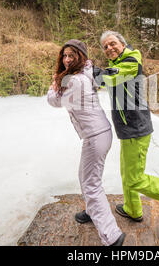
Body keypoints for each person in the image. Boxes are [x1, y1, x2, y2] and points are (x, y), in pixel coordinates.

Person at [94, 31, 159, 223]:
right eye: (105, 47)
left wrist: (90, 71)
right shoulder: (118, 63)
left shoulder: (130, 61)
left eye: (112, 43)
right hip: (127, 129)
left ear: (122, 44)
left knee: (135, 178)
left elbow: (109, 78)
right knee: (127, 173)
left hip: (136, 128)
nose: (109, 48)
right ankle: (133, 209)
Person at [47, 39, 125, 246]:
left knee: (91, 184)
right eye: (64, 55)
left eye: (72, 55)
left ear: (80, 56)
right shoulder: (85, 72)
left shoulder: (75, 81)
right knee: (87, 176)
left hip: (95, 136)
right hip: (100, 133)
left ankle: (112, 235)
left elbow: (54, 101)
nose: (66, 59)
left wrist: (55, 83)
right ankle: (92, 211)